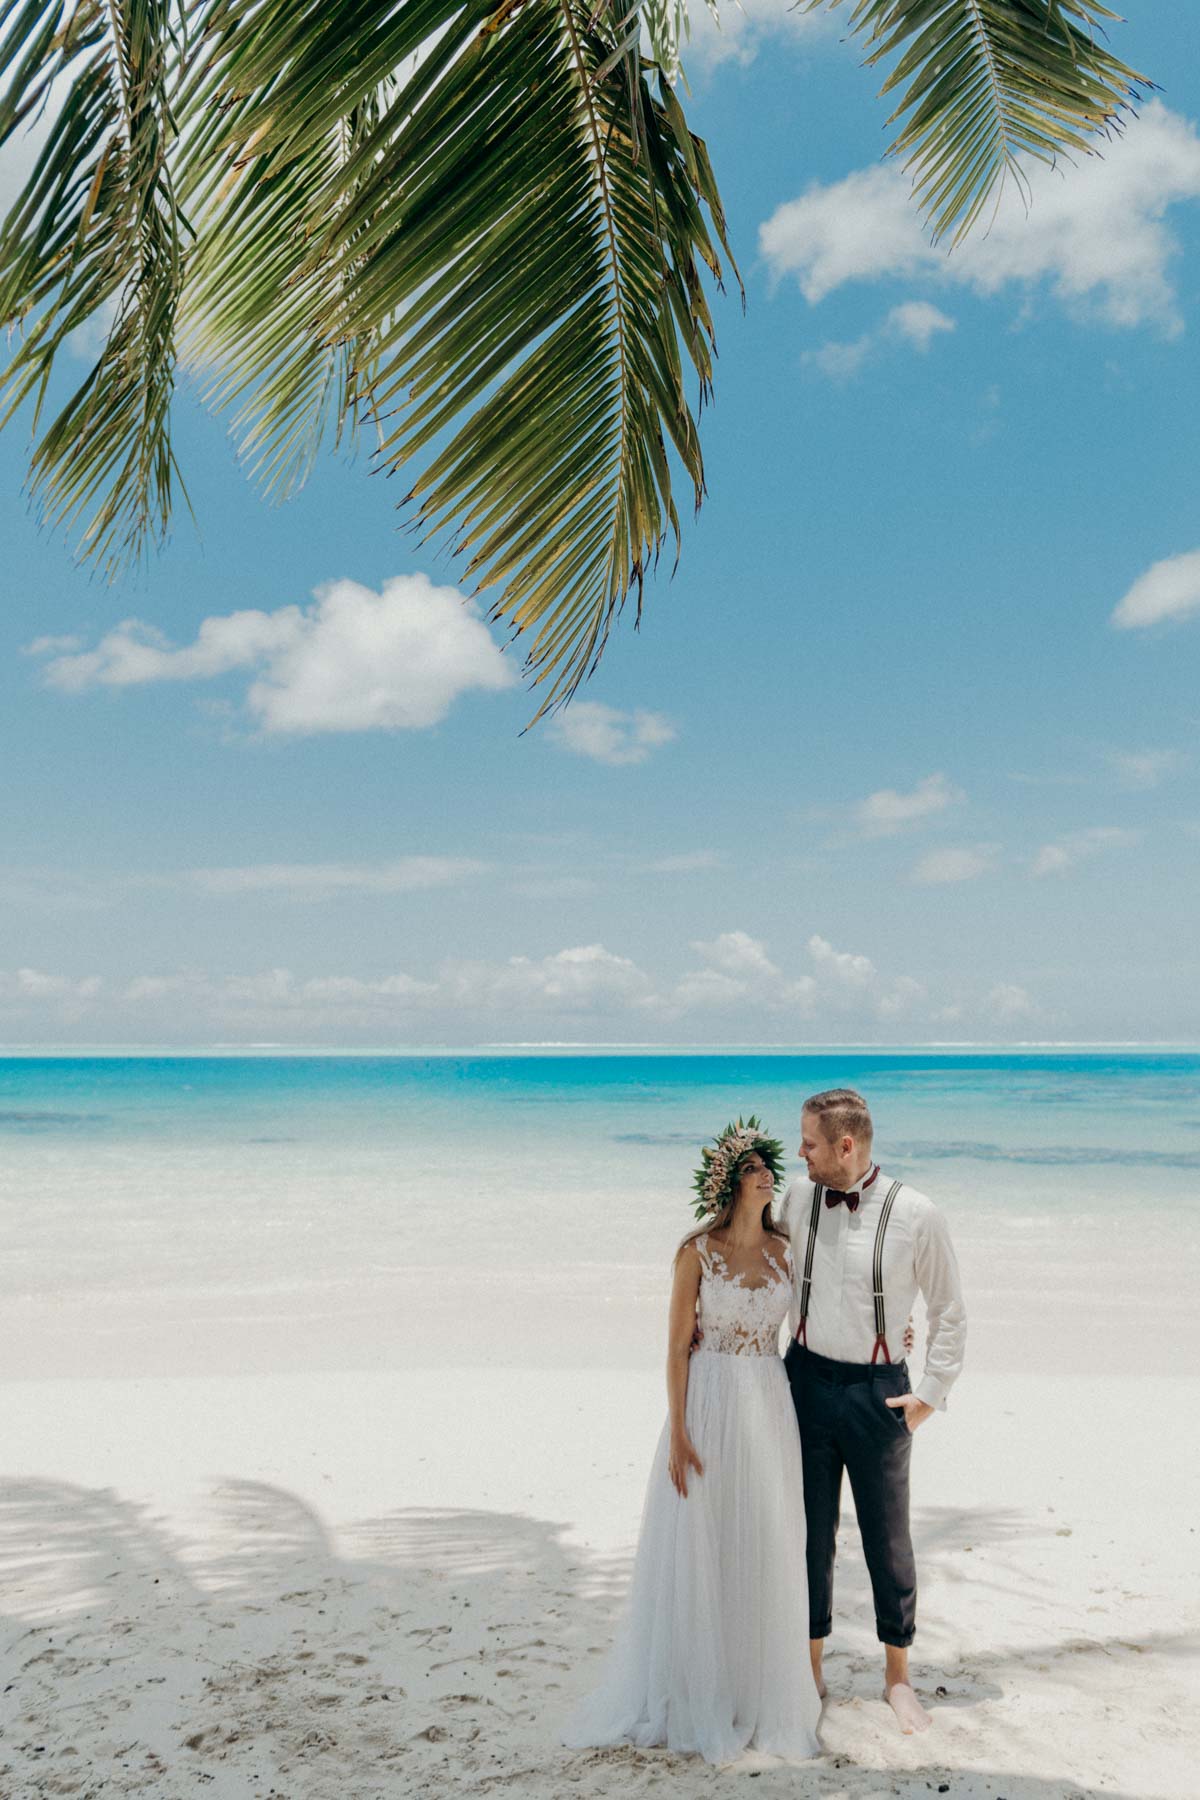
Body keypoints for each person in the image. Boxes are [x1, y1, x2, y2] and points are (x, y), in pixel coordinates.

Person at [563, 1118, 822, 1767]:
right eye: (758, 1169)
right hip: (707, 1402)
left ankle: (751, 1687)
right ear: (733, 1182)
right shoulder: (696, 1251)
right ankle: (696, 1688)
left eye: (769, 1169)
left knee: (761, 1537)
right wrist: (677, 1429)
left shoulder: (785, 1250)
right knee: (704, 1540)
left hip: (768, 1398)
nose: (770, 1176)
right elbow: (677, 1347)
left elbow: (822, 1320)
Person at [780, 1087, 966, 1736]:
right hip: (800, 1379)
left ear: (846, 1146)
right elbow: (765, 1267)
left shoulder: (918, 1214)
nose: (799, 1152)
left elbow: (948, 1312)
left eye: (809, 1143)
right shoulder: (798, 1197)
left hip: (878, 1393)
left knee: (889, 1541)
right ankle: (810, 1672)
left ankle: (898, 1679)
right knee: (809, 1539)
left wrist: (927, 1398)